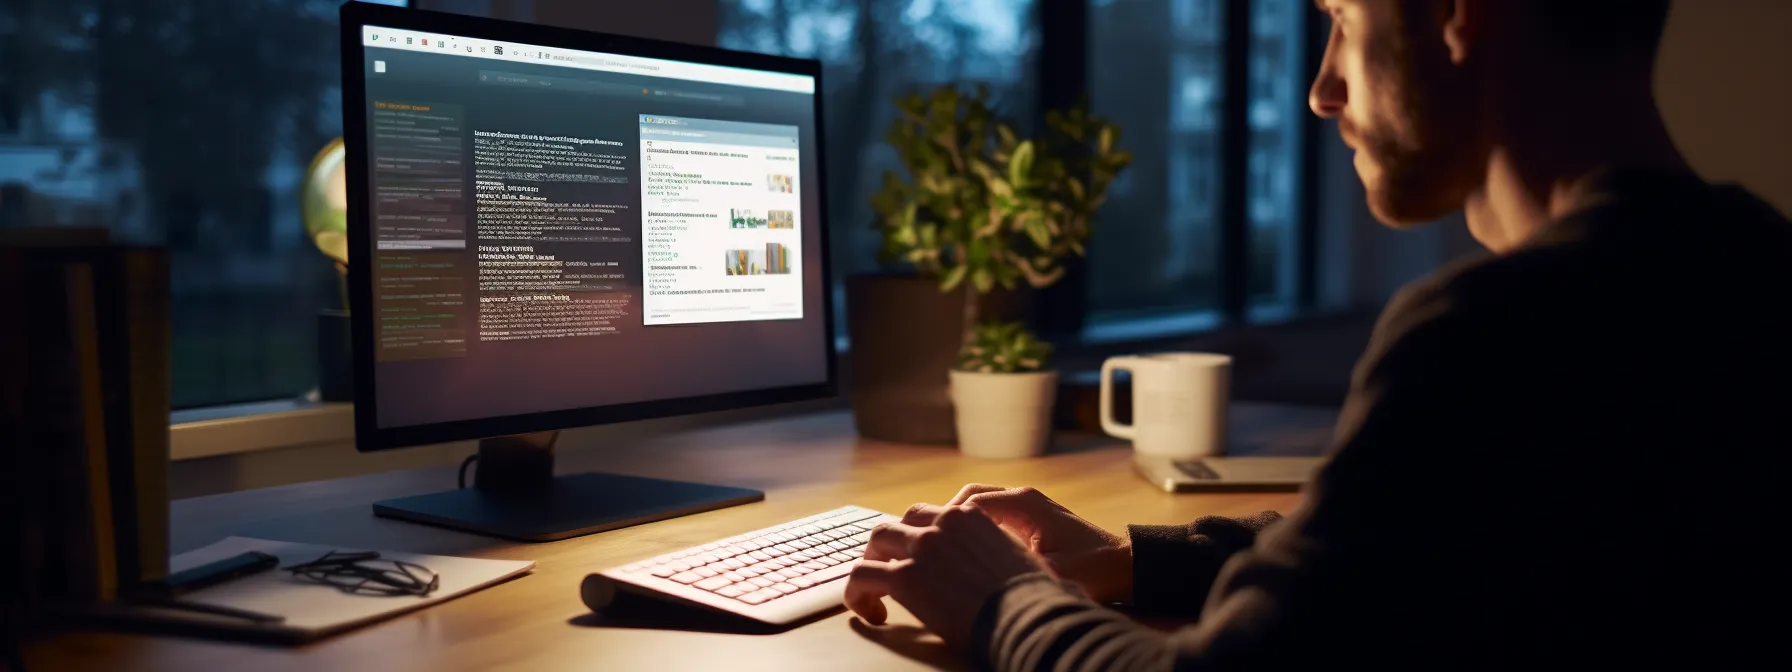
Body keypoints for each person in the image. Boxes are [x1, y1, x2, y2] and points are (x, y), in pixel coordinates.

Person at [842, 0, 1792, 668]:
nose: (1322, 92)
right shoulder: (1743, 273)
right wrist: (1139, 558)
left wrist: (1000, 597)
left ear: (1460, 13)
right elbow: (1433, 549)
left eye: (1342, 19)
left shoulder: (1498, 334)